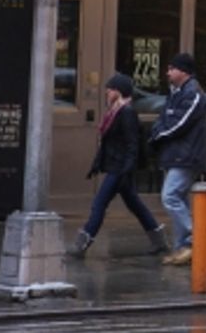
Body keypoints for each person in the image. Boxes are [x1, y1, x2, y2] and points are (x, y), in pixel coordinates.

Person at [66, 73, 168, 258]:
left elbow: (132, 144)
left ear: (119, 92)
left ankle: (82, 244)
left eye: (111, 88)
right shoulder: (114, 112)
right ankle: (159, 241)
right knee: (135, 204)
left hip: (120, 168)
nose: (107, 91)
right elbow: (109, 143)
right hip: (117, 166)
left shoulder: (126, 113)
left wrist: (126, 169)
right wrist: (97, 164)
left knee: (99, 204)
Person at [149, 52, 206, 266]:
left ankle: (195, 238)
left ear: (184, 71)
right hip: (176, 155)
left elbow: (178, 124)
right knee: (179, 199)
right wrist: (158, 132)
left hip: (187, 156)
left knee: (170, 196)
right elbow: (163, 119)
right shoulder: (176, 93)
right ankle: (182, 247)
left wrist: (159, 135)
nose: (168, 73)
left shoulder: (193, 94)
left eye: (172, 69)